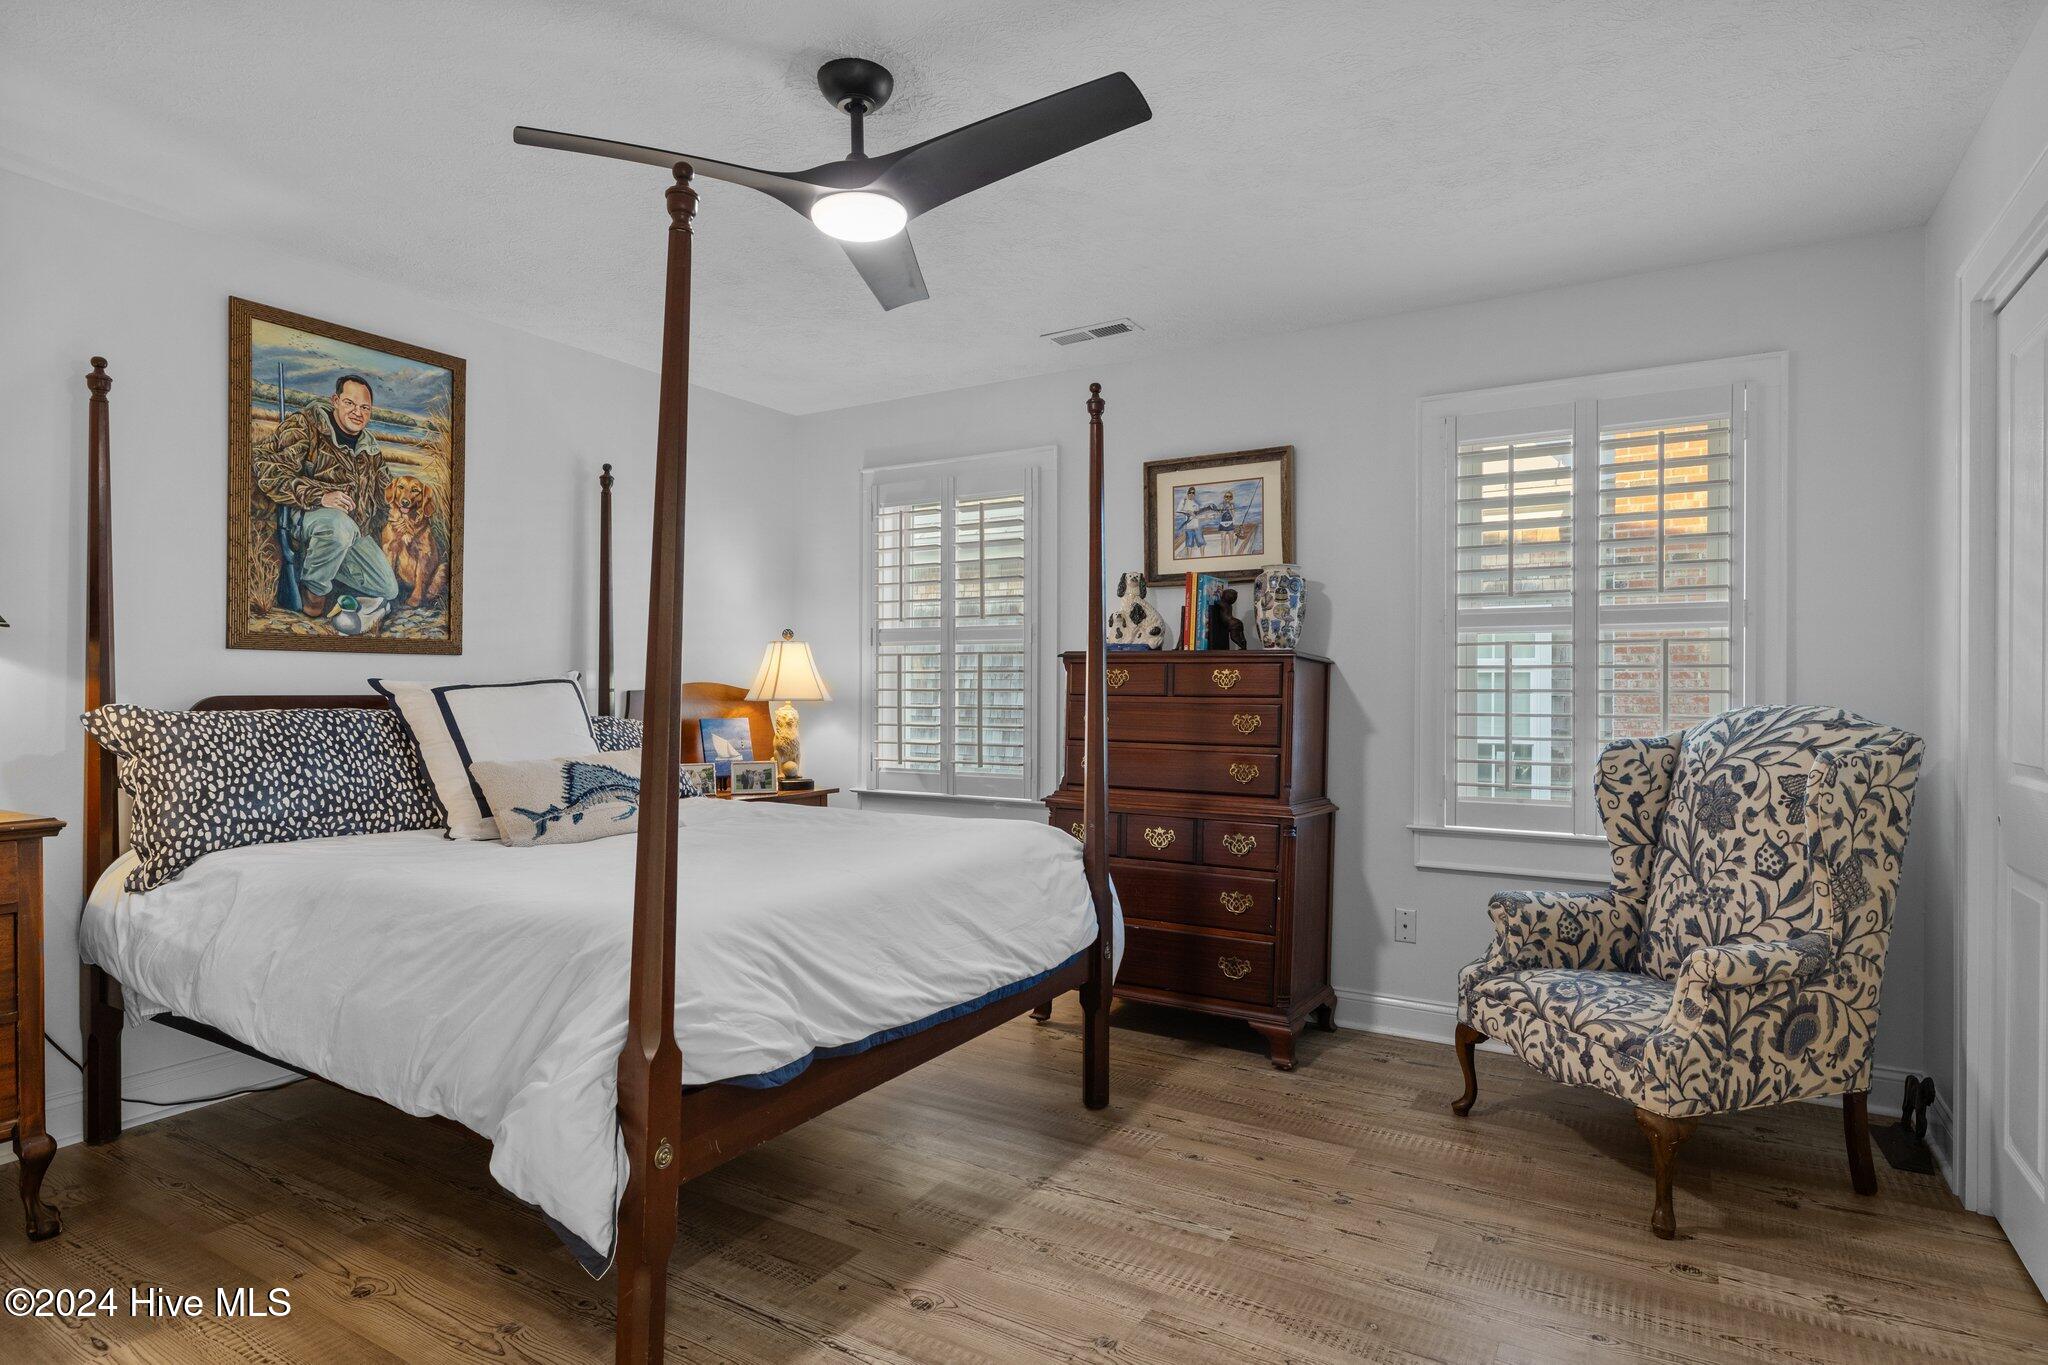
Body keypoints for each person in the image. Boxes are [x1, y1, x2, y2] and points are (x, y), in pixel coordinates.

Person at [253, 374, 399, 620]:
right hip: (306, 520)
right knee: (337, 525)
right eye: (350, 403)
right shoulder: (305, 425)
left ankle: (328, 573)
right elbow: (267, 468)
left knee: (388, 588)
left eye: (365, 407)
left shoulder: (370, 449)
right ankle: (314, 595)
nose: (357, 412)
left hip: (352, 532)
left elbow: (386, 494)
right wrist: (320, 496)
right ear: (335, 400)